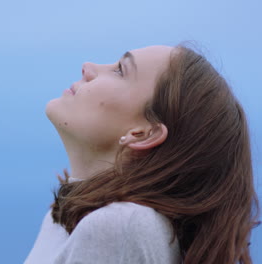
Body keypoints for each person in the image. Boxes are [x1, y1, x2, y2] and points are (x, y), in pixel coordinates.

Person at [24, 44, 260, 264]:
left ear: (143, 134)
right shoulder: (64, 217)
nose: (88, 67)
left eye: (120, 71)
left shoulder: (119, 225)